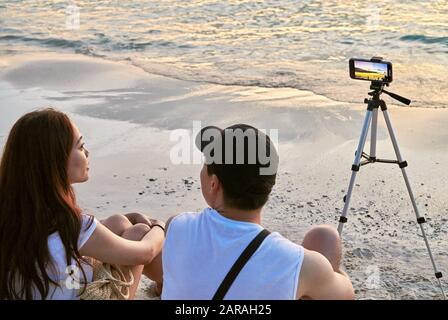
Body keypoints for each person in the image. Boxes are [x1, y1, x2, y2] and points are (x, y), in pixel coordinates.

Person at [161, 124, 354, 300]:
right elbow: (346, 294)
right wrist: (322, 271)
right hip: (302, 269)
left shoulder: (176, 227)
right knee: (326, 236)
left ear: (214, 183)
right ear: (269, 184)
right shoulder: (299, 264)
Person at [0, 108, 164, 300]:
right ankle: (171, 284)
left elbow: (59, 241)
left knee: (118, 222)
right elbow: (145, 254)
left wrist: (123, 219)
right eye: (80, 146)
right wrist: (159, 226)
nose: (87, 152)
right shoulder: (74, 227)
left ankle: (166, 282)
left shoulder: (11, 216)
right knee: (141, 232)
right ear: (56, 161)